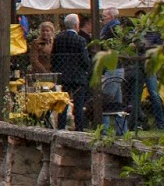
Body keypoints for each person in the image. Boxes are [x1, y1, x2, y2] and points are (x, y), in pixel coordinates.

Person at [51, 14, 92, 131]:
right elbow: (85, 60)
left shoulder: (58, 39)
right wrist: (86, 69)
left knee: (63, 104)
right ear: (76, 25)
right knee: (78, 105)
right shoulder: (80, 40)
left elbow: (53, 57)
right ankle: (79, 129)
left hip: (63, 77)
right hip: (78, 77)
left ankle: (61, 128)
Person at [96, 7, 129, 135]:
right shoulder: (111, 28)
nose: (102, 19)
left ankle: (102, 130)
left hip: (113, 69)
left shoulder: (112, 29)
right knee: (117, 103)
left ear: (112, 17)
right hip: (114, 68)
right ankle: (122, 131)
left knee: (104, 100)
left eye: (104, 17)